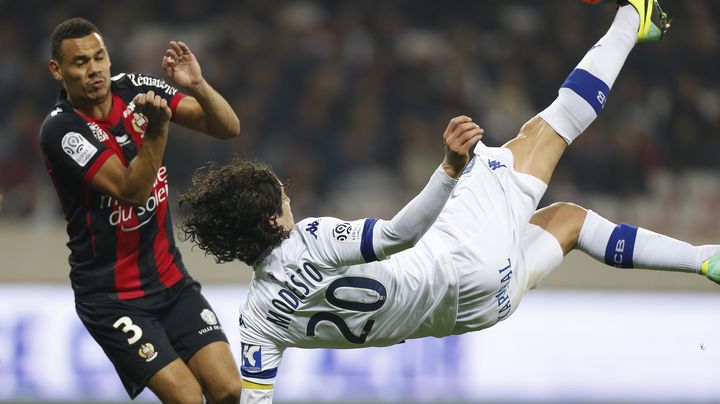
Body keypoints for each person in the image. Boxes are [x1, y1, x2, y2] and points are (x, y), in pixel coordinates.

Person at [181, 1, 717, 403]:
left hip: (482, 309)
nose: (290, 196)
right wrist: (448, 170)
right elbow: (397, 236)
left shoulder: (254, 323)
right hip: (461, 259)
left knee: (569, 222)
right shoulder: (312, 240)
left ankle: (702, 258)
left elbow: (251, 398)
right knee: (545, 132)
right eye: (283, 195)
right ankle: (633, 17)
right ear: (273, 219)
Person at [40, 18, 243, 403]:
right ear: (57, 70)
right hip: (112, 298)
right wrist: (157, 130)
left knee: (229, 390)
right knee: (187, 398)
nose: (94, 69)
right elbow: (131, 192)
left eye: (99, 57)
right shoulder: (62, 131)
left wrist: (197, 85)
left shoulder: (135, 88)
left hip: (170, 281)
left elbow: (227, 127)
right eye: (80, 62)